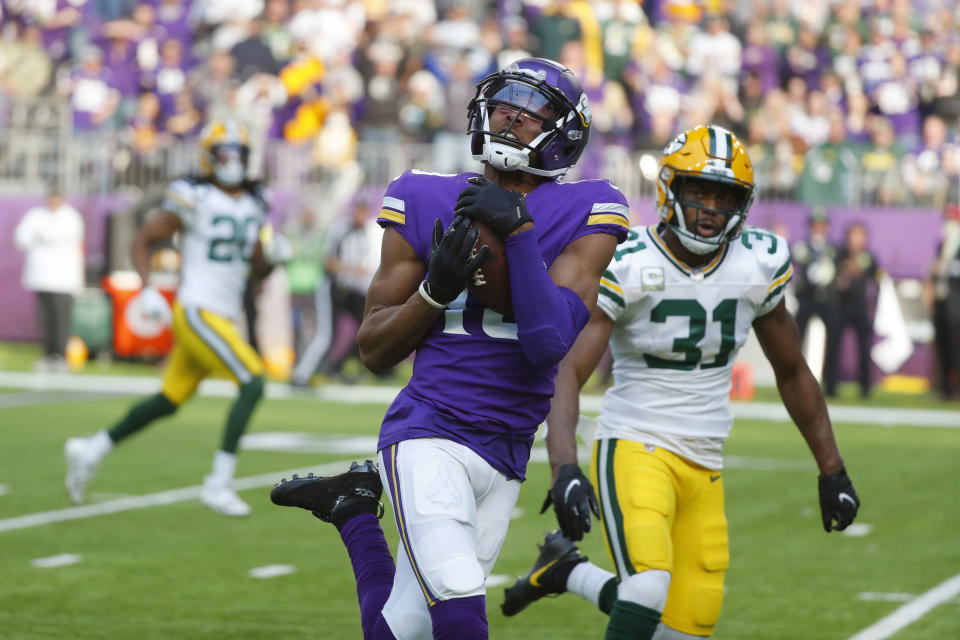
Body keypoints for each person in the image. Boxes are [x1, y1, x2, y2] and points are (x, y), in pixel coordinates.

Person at [269, 57, 630, 639]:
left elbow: (548, 343)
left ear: (562, 136)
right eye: (504, 105)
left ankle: (355, 514)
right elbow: (374, 349)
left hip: (508, 446)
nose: (511, 119)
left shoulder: (588, 207)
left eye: (530, 112)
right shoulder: (421, 195)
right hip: (428, 429)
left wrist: (517, 234)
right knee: (461, 608)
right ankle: (359, 508)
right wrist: (434, 293)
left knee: (402, 631)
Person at [500, 125, 861, 640]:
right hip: (634, 444)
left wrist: (833, 470)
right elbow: (569, 369)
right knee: (646, 589)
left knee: (686, 632)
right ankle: (568, 569)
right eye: (700, 192)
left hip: (706, 458)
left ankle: (567, 571)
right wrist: (564, 468)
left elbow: (793, 371)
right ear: (671, 190)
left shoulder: (758, 262)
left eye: (725, 196)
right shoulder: (628, 261)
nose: (712, 207)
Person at [64, 119, 287, 517]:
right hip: (198, 310)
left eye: (240, 153)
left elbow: (257, 269)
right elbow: (144, 239)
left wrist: (274, 259)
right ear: (209, 156)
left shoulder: (256, 201)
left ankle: (91, 447)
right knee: (253, 382)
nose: (233, 161)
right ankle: (218, 483)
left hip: (221, 314)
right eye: (225, 153)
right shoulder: (194, 195)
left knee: (169, 400)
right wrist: (148, 287)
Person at [14, 186, 86, 372]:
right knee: (45, 319)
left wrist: (41, 237)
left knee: (61, 318)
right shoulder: (35, 215)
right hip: (40, 276)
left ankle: (61, 356)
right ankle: (47, 355)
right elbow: (21, 238)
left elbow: (59, 236)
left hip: (63, 279)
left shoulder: (71, 216)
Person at [823, 222, 878, 398]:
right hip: (839, 305)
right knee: (833, 345)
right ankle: (830, 386)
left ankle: (865, 388)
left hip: (859, 306)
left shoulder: (869, 257)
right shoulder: (838, 254)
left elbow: (871, 277)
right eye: (853, 236)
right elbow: (833, 272)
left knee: (864, 347)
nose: (856, 240)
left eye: (859, 236)